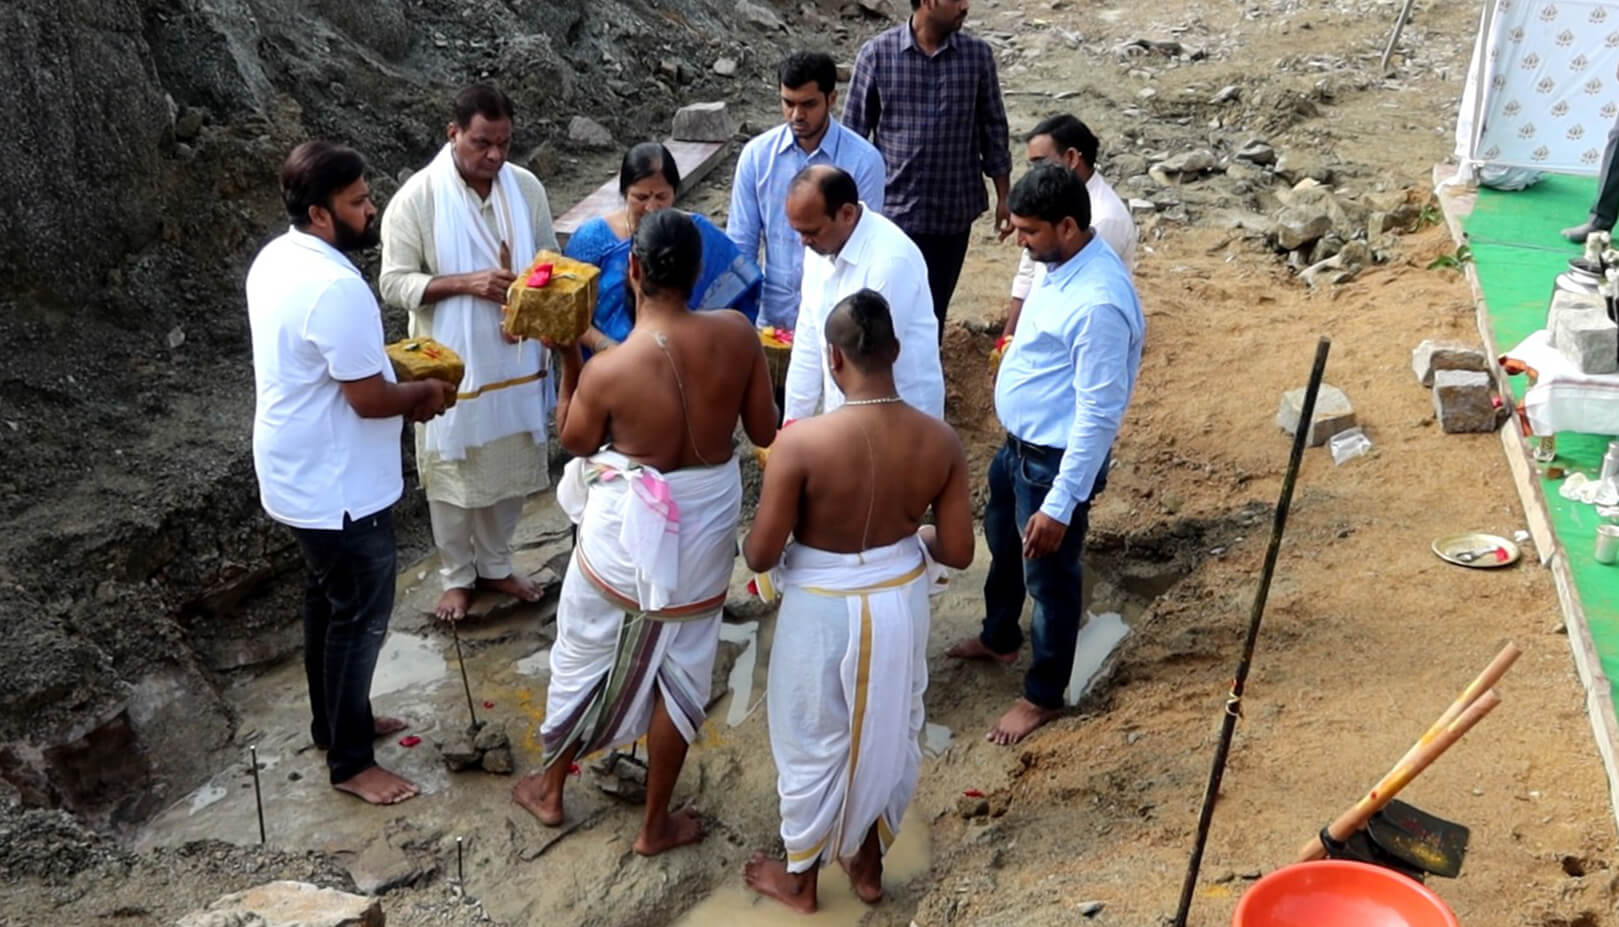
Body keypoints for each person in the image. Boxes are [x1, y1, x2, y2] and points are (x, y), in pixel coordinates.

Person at [511, 210, 778, 854]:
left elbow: (574, 439)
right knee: (683, 670)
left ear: (632, 270)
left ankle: (550, 790)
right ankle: (654, 825)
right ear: (698, 273)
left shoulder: (610, 370)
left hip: (622, 535)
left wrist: (569, 357)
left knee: (584, 653)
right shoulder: (739, 335)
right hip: (706, 519)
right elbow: (766, 432)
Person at [740, 289, 974, 913]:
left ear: (833, 360)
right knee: (889, 728)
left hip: (822, 609)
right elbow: (957, 551)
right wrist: (910, 537)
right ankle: (868, 865)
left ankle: (801, 881)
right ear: (895, 351)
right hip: (900, 601)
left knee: (814, 736)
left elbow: (761, 555)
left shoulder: (801, 445)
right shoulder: (941, 442)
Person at [247, 141, 456, 805]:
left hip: (295, 472)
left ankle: (336, 722)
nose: (372, 211)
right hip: (339, 489)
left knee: (325, 603)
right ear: (318, 212)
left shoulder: (277, 256)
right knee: (359, 617)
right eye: (358, 203)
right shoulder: (336, 286)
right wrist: (423, 394)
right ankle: (352, 760)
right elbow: (368, 397)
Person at [947, 164, 1144, 746]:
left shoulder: (1099, 304)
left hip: (1054, 463)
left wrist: (1060, 505)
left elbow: (1098, 415)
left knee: (1052, 579)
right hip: (1019, 451)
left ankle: (1043, 696)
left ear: (1067, 224)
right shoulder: (1059, 265)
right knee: (1004, 547)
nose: (1022, 244)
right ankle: (1000, 635)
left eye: (1030, 233)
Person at [379, 85, 557, 623]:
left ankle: (497, 563)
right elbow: (393, 282)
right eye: (482, 143)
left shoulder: (524, 189)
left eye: (504, 143)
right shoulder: (418, 197)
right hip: (449, 362)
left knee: (508, 464)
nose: (495, 156)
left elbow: (549, 260)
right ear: (453, 133)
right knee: (454, 471)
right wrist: (466, 283)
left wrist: (532, 297)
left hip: (514, 356)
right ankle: (458, 575)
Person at [844, 0, 1012, 339]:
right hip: (892, 215)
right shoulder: (877, 55)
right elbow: (853, 138)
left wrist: (1004, 197)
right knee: (883, 312)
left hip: (952, 215)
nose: (965, 6)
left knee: (933, 313)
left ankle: (926, 386)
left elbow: (993, 128)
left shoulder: (977, 56)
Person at [728, 50, 887, 331]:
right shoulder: (756, 157)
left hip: (835, 322)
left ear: (832, 99)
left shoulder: (863, 161)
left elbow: (864, 250)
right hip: (770, 322)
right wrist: (738, 320)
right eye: (788, 103)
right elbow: (741, 246)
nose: (797, 114)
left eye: (809, 104)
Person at [782, 165, 945, 423]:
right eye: (799, 232)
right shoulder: (818, 247)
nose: (803, 241)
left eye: (811, 232)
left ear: (846, 213)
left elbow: (870, 365)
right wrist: (793, 419)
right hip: (849, 415)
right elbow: (808, 336)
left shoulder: (890, 261)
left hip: (902, 420)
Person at [565, 142, 761, 354]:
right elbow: (564, 309)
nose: (651, 207)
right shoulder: (593, 239)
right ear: (624, 192)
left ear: (674, 192)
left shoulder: (695, 233)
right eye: (641, 197)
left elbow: (740, 290)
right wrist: (606, 346)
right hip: (606, 365)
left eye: (661, 197)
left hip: (683, 362)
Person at [1002, 115, 1137, 339]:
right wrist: (1007, 340)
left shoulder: (1104, 219)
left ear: (1072, 157)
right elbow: (1030, 273)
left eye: (1040, 162)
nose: (1033, 173)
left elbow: (1080, 296)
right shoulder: (1050, 201)